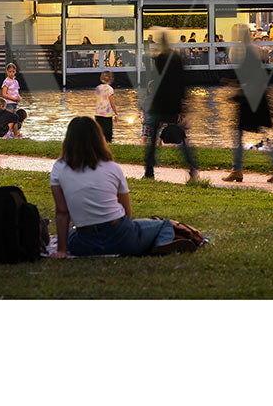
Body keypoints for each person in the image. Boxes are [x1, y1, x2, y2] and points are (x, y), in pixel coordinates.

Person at [49, 117, 196, 258]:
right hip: (121, 237)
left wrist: (62, 249)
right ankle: (160, 246)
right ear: (98, 138)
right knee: (164, 225)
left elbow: (62, 212)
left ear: (68, 139)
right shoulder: (112, 167)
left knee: (71, 233)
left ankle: (152, 245)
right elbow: (127, 212)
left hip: (83, 243)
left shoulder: (59, 168)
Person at [223, 29, 273, 184]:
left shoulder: (247, 54)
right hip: (257, 101)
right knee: (260, 136)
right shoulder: (253, 53)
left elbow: (249, 79)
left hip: (251, 103)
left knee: (240, 136)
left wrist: (234, 87)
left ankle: (237, 170)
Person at [143, 32, 199, 182]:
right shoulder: (177, 59)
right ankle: (192, 167)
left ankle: (149, 170)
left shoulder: (160, 59)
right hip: (174, 103)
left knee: (153, 136)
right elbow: (182, 82)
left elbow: (157, 81)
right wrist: (184, 104)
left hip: (160, 103)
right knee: (181, 135)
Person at [94, 71, 118, 142]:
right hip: (107, 114)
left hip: (98, 113)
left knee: (99, 132)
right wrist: (116, 113)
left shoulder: (98, 88)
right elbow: (111, 102)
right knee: (108, 133)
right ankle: (108, 144)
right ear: (111, 79)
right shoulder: (110, 89)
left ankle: (99, 144)